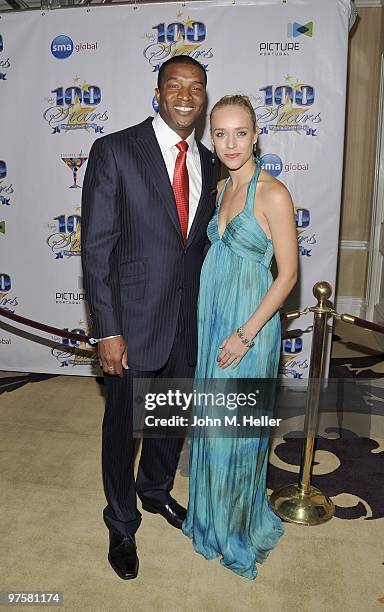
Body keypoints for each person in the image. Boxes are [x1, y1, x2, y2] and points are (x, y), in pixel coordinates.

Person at [81, 56, 219, 580]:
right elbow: (96, 249)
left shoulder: (209, 162)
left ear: (204, 99)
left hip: (188, 321)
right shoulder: (114, 150)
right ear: (157, 93)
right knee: (124, 428)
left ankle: (155, 489)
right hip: (132, 323)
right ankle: (120, 519)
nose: (186, 95)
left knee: (170, 419)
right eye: (175, 85)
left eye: (196, 88)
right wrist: (107, 330)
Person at [182, 95, 298, 579]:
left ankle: (237, 529)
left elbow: (288, 275)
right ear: (213, 138)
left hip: (248, 325)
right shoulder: (221, 187)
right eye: (221, 134)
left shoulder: (273, 193)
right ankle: (208, 519)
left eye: (240, 133)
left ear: (256, 135)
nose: (230, 144)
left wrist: (246, 334)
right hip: (213, 318)